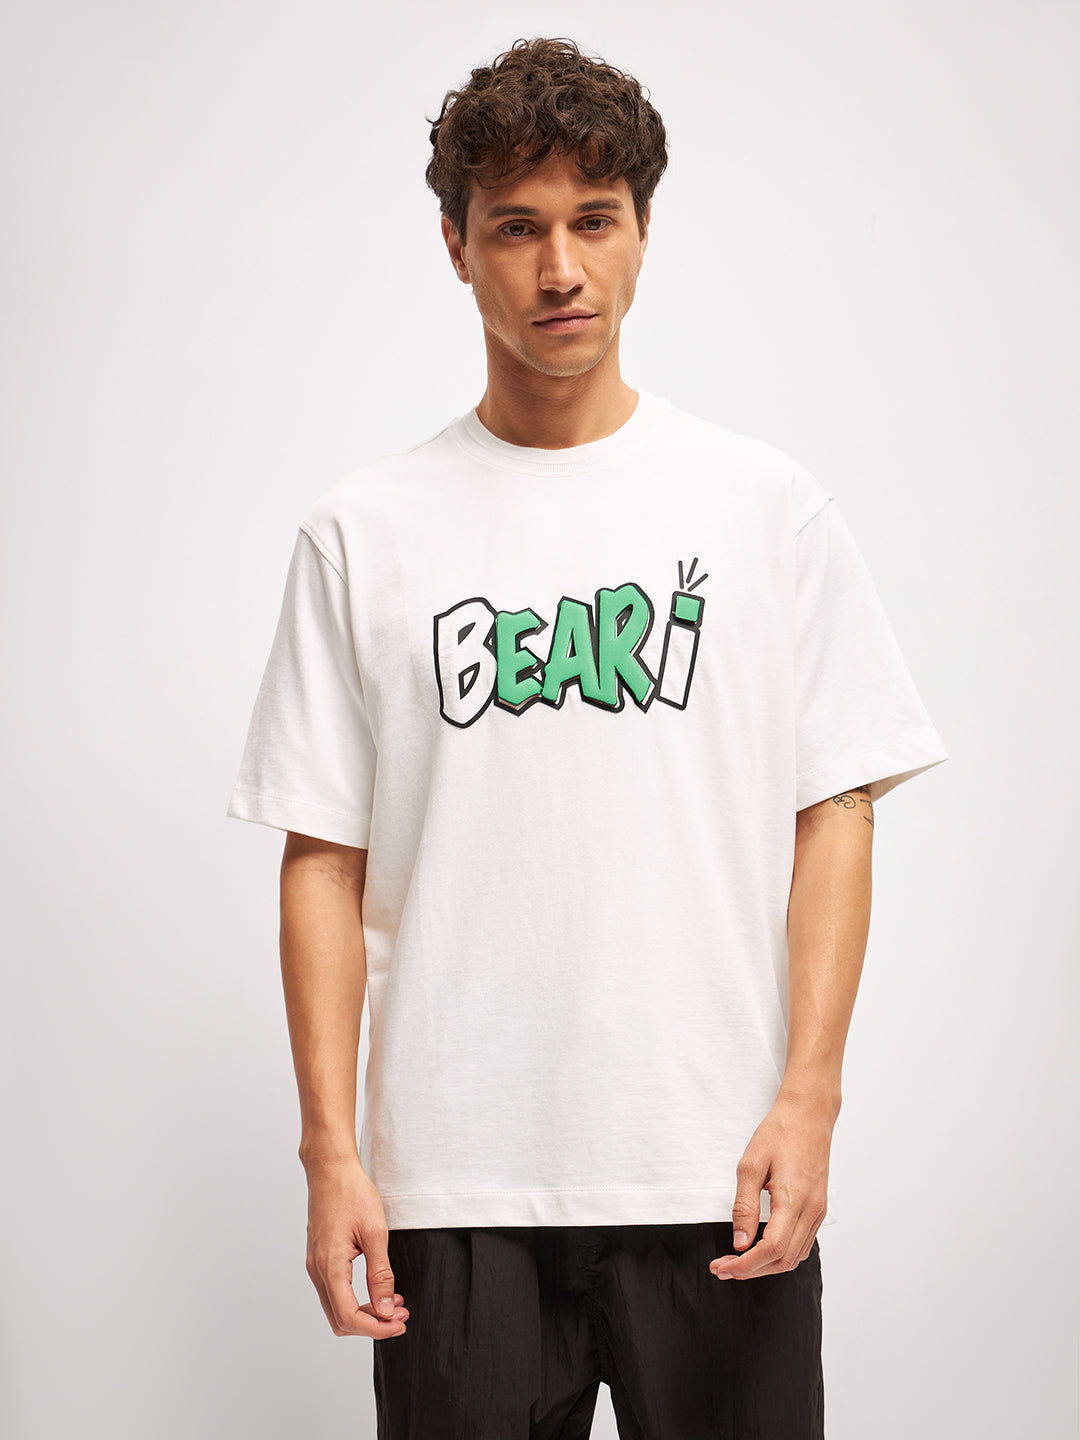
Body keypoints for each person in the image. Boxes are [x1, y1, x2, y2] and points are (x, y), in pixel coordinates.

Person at [227, 35, 948, 1439]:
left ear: (642, 233)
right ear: (456, 245)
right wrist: (331, 1154)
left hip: (716, 1167)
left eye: (594, 221)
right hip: (455, 1185)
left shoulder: (766, 509)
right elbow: (322, 857)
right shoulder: (362, 532)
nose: (560, 268)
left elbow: (837, 808)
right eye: (517, 226)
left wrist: (810, 1101)